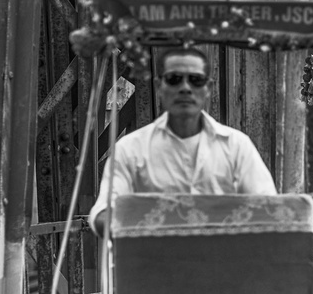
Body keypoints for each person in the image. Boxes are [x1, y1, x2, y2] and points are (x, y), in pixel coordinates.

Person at [90, 47, 276, 235]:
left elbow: (269, 210)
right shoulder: (130, 149)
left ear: (208, 88)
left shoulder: (236, 146)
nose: (185, 88)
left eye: (195, 80)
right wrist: (153, 223)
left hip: (223, 261)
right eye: (174, 79)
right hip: (155, 261)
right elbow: (102, 215)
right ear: (159, 86)